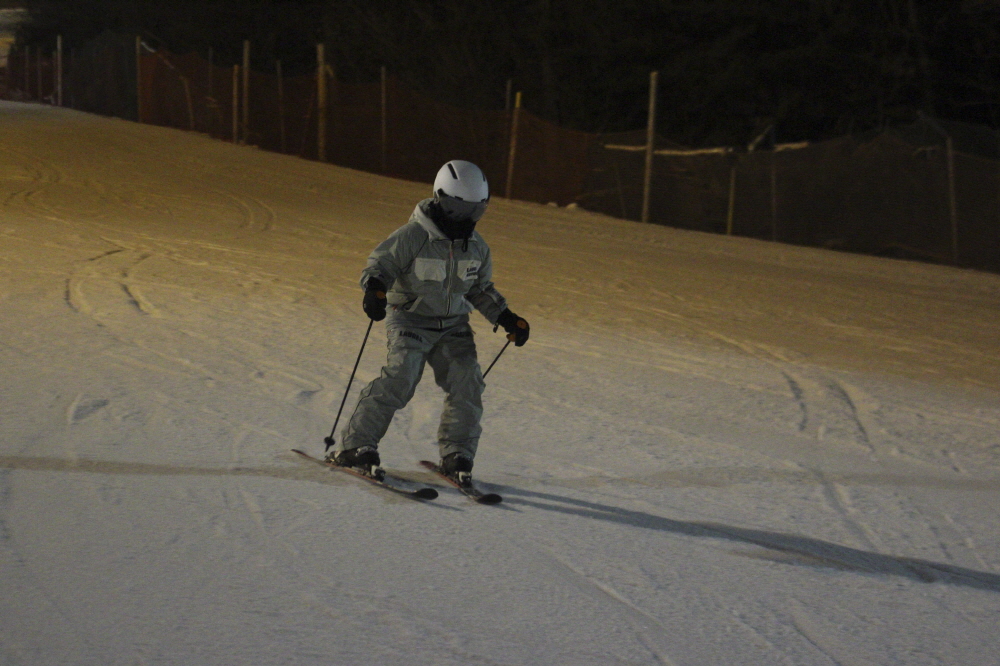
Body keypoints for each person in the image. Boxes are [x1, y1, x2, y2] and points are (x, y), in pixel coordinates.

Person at [328, 160, 529, 482]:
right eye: (457, 208)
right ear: (440, 198)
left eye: (474, 210)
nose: (464, 218)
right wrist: (375, 289)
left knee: (467, 382)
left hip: (453, 325)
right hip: (410, 318)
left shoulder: (476, 247)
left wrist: (506, 317)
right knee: (401, 377)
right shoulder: (413, 236)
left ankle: (457, 454)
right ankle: (356, 446)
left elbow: (479, 289)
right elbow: (380, 266)